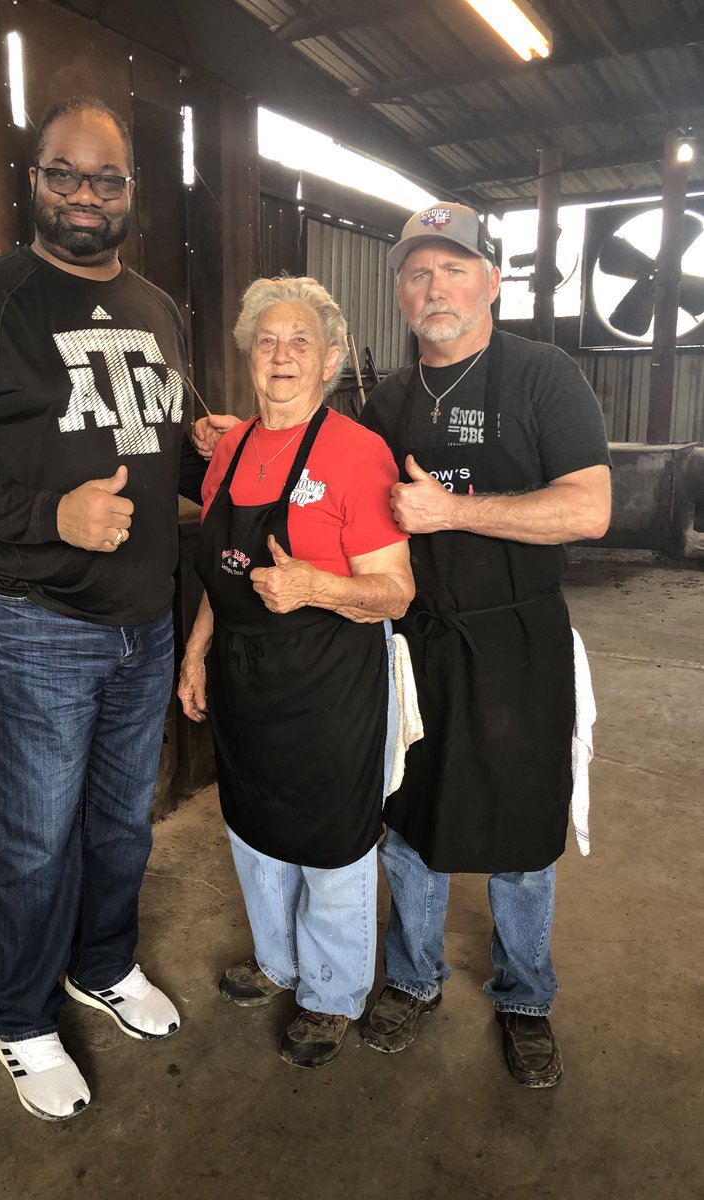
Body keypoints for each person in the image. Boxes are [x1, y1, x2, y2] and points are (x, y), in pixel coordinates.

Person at [0, 96, 208, 1121]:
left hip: (145, 619)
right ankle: (23, 1016)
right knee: (35, 839)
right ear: (35, 181)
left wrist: (212, 462)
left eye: (106, 179)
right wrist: (51, 514)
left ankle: (104, 963)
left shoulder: (163, 310)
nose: (85, 195)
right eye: (64, 175)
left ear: (132, 193)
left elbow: (152, 444)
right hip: (33, 617)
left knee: (124, 823)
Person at [358, 202, 611, 1087]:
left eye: (454, 269)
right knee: (408, 819)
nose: (436, 287)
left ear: (492, 282)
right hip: (412, 643)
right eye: (419, 273)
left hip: (516, 642)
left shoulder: (544, 376)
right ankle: (414, 979)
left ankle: (525, 998)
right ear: (400, 293)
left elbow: (589, 506)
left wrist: (453, 511)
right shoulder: (384, 399)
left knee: (521, 829)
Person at [177, 276, 415, 1070]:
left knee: (330, 840)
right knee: (253, 826)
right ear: (249, 355)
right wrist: (198, 649)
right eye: (267, 341)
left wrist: (315, 586)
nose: (282, 356)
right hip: (247, 676)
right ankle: (278, 960)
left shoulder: (356, 451)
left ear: (332, 361)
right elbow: (221, 572)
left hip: (329, 680)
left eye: (301, 342)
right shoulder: (233, 449)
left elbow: (397, 589)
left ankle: (332, 992)